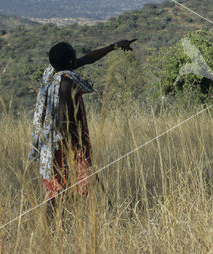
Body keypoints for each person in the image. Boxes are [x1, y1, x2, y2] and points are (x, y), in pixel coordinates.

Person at [29, 39, 136, 212]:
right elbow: (64, 121)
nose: (78, 59)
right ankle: (56, 230)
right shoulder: (66, 83)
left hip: (53, 144)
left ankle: (61, 229)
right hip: (64, 145)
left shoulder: (52, 73)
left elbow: (89, 58)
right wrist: (78, 149)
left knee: (59, 189)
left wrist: (114, 45)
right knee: (60, 190)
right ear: (71, 62)